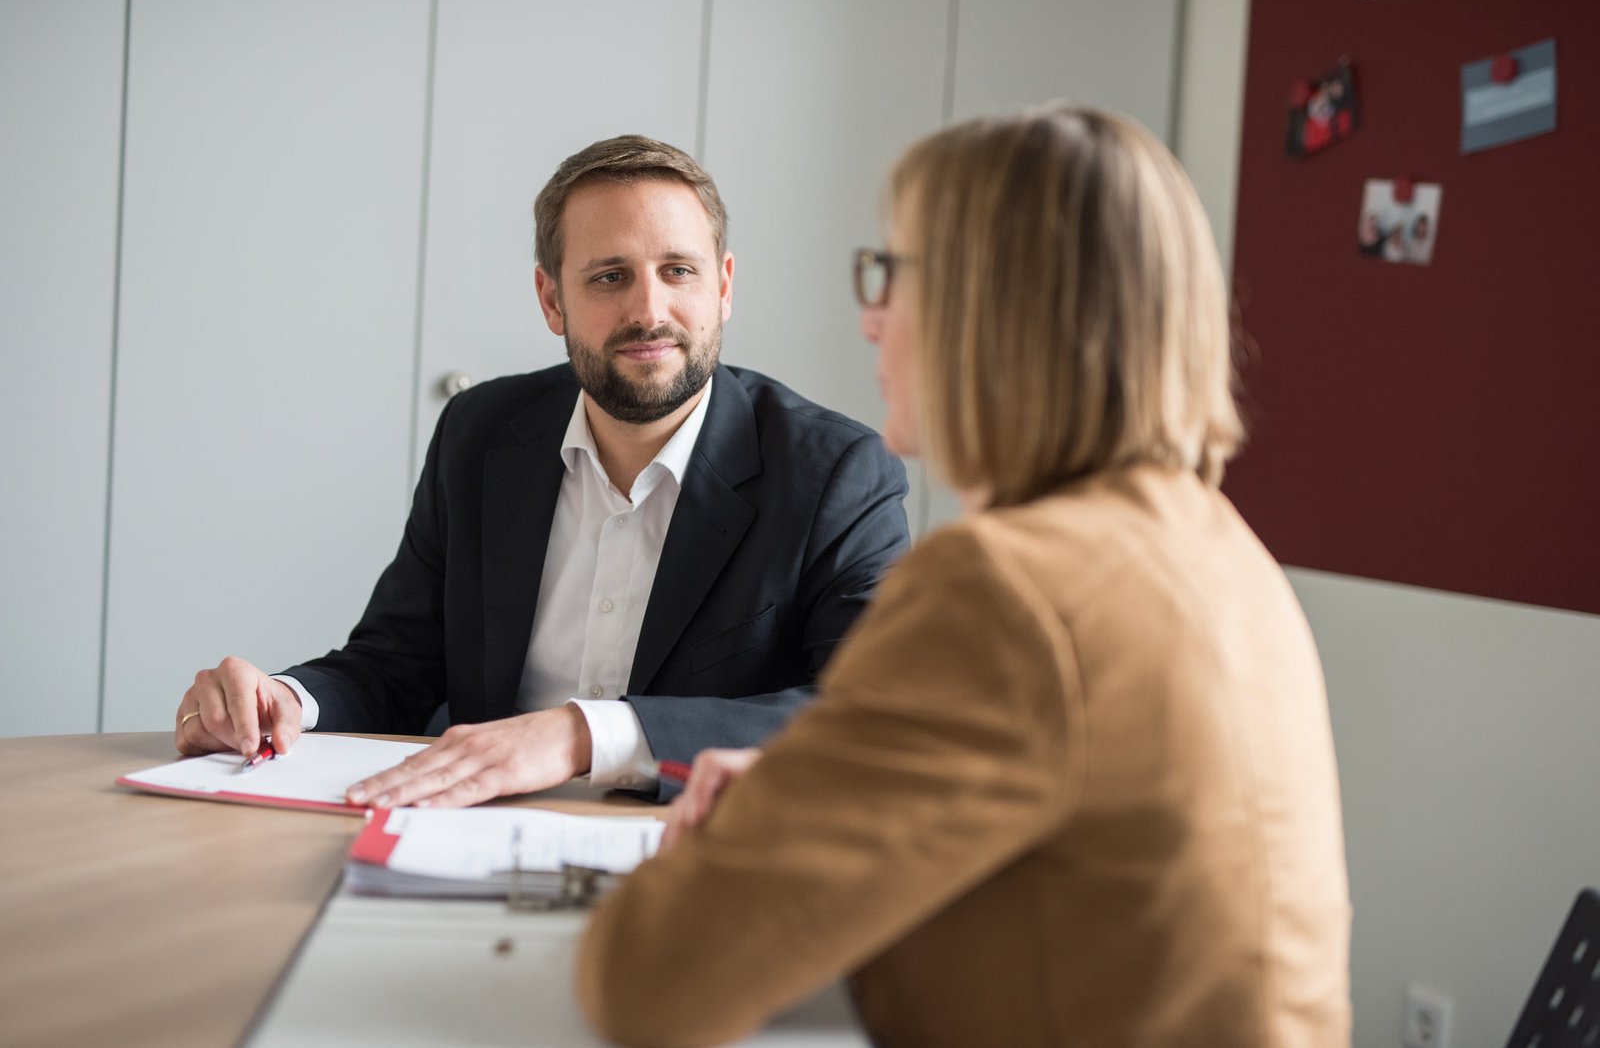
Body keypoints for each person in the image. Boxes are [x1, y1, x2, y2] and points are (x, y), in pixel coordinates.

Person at [578, 105, 1352, 1045]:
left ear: (990, 308)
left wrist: (746, 841)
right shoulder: (1213, 542)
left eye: (890, 274)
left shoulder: (1006, 589)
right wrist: (812, 796)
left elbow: (645, 981)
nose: (871, 319)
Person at [171, 135, 909, 806]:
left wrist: (584, 735)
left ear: (722, 287)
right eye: (609, 277)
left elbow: (869, 718)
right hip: (466, 840)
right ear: (551, 298)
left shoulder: (836, 473)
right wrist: (287, 704)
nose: (649, 311)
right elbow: (397, 662)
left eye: (677, 271)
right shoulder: (480, 434)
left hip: (695, 858)